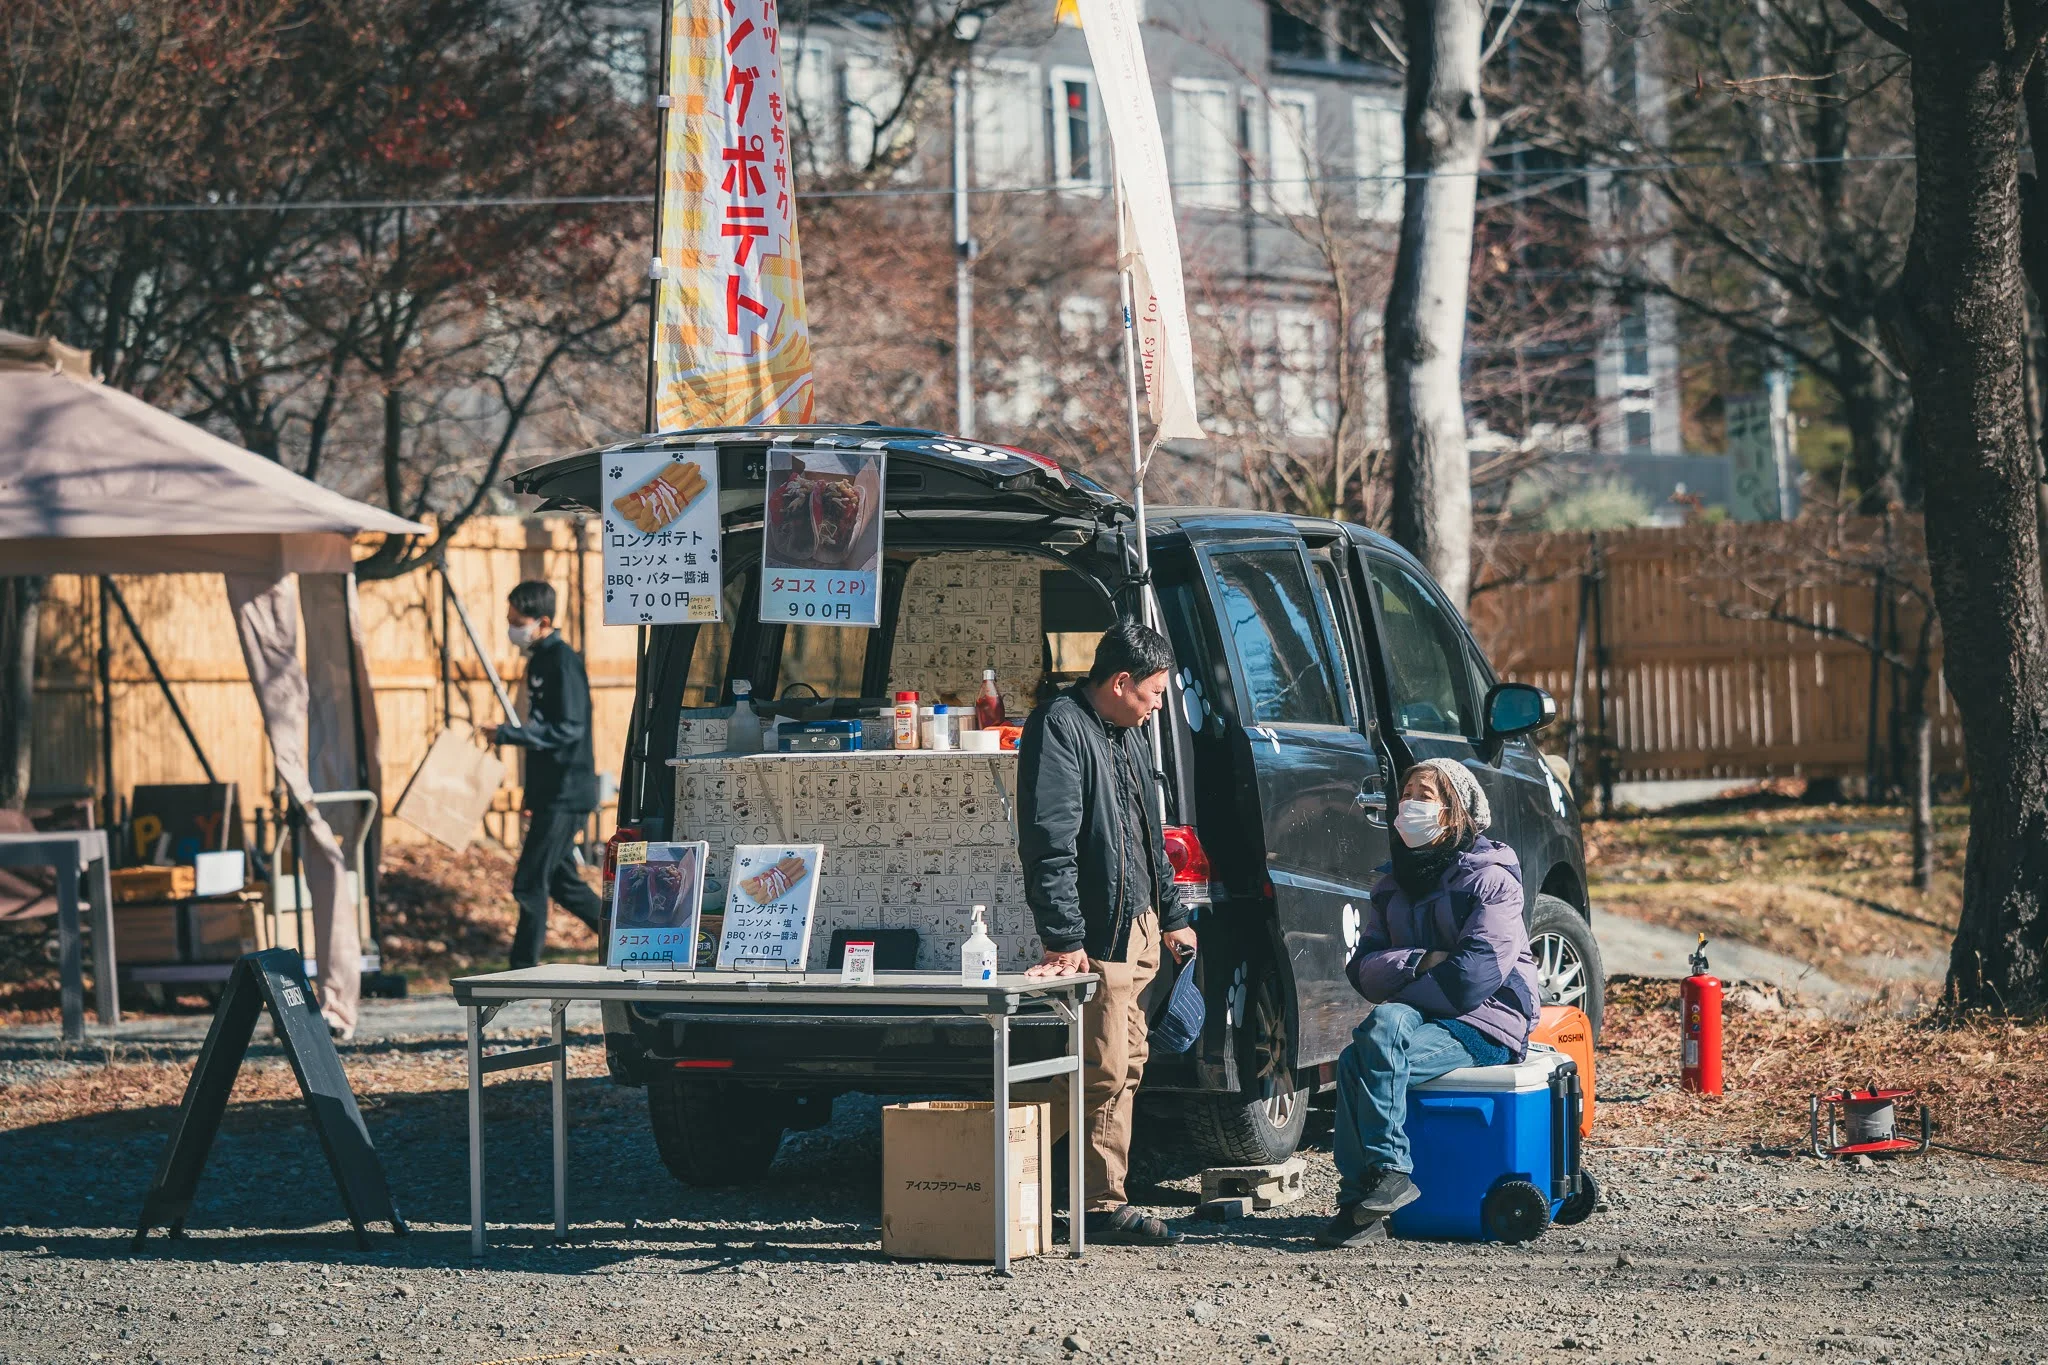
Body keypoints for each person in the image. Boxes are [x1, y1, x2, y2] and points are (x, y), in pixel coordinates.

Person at [1018, 619, 1197, 1246]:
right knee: (1102, 1069)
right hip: (1098, 938)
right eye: (1151, 694)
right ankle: (997, 1154)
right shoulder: (1059, 727)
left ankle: (1101, 1200)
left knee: (1131, 1066)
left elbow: (1150, 833)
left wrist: (1171, 914)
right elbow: (1050, 844)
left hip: (1141, 929)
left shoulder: (1127, 731)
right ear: (1120, 682)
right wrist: (1065, 938)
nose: (1155, 708)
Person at [1315, 758, 1541, 1248]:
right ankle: (1366, 1202)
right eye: (1406, 794)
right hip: (1423, 1019)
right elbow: (1362, 969)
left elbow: (1472, 977)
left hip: (1488, 1022)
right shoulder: (1392, 883)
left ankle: (1381, 1179)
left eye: (1425, 795)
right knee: (1360, 1056)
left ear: (1455, 810)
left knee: (1382, 1030)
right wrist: (1421, 960)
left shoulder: (1492, 879)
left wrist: (1402, 986)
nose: (1409, 805)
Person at [488, 580, 604, 970]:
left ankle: (521, 970)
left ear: (544, 620)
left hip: (568, 790)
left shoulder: (562, 661)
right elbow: (542, 734)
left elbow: (569, 728)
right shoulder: (538, 659)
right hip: (549, 792)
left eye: (517, 621)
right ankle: (621, 937)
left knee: (529, 881)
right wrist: (529, 798)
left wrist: (507, 734)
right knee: (561, 883)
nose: (512, 628)